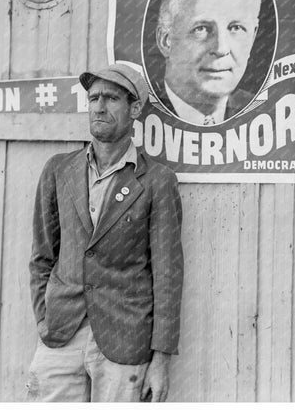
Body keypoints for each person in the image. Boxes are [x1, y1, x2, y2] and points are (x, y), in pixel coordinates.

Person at [27, 63, 183, 402]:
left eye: (111, 98)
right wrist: (45, 317)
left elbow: (168, 275)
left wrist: (160, 361)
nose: (99, 106)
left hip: (125, 339)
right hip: (61, 333)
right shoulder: (58, 170)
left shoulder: (157, 181)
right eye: (94, 97)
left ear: (135, 109)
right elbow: (42, 256)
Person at [155, 0, 261, 125]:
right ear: (166, 40)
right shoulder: (136, 110)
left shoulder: (262, 113)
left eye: (236, 28)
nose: (221, 48)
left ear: (253, 36)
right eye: (201, 29)